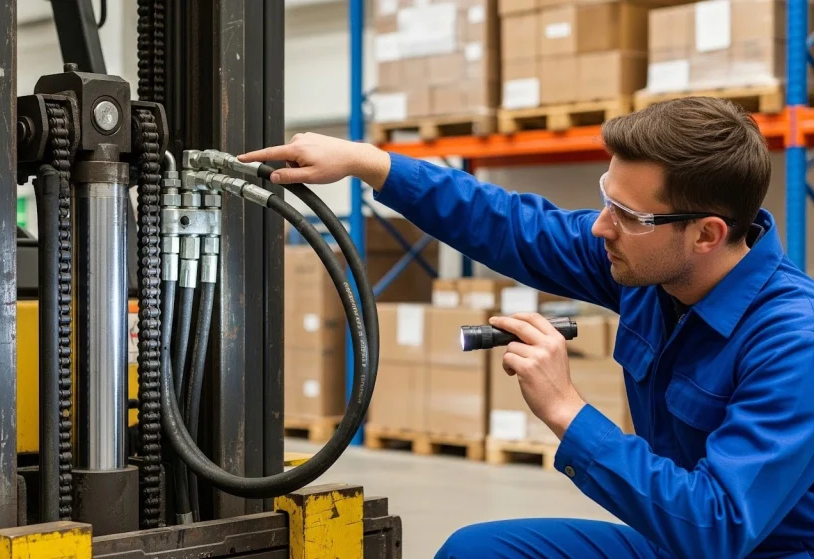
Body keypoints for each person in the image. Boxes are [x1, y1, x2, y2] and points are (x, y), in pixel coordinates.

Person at [239, 97, 814, 559]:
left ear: (707, 234)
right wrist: (374, 164)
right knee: (478, 551)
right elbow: (514, 226)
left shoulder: (794, 341)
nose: (599, 229)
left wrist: (566, 409)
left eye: (627, 216)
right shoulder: (650, 268)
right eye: (604, 201)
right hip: (675, 539)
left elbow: (719, 527)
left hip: (744, 545)